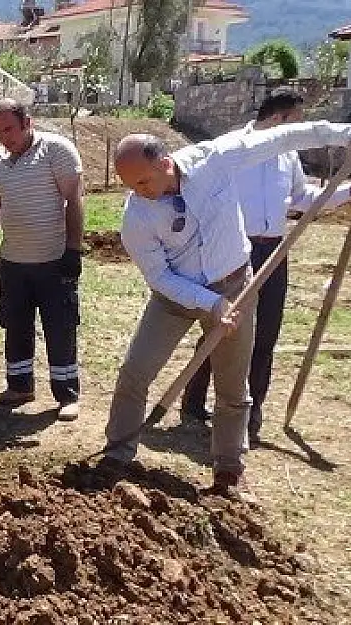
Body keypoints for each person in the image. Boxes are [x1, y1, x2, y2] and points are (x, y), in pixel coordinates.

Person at [101, 120, 351, 497]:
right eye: (130, 185)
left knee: (233, 386)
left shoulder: (213, 160)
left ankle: (229, 471)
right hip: (176, 297)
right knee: (135, 371)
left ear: (165, 163)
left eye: (142, 182)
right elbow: (159, 277)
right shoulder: (137, 215)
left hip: (235, 287)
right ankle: (117, 455)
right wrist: (210, 303)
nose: (138, 193)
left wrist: (343, 134)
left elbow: (280, 138)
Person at [180, 88, 351, 444]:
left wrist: (346, 190)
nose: (298, 131)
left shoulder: (288, 159)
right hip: (234, 253)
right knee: (222, 325)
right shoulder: (229, 151)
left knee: (266, 334)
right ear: (278, 119)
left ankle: (251, 410)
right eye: (296, 121)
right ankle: (193, 400)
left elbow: (302, 200)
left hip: (275, 250)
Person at [0, 98, 85, 420]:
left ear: (27, 122)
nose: (4, 137)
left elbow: (74, 201)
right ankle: (19, 386)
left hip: (53, 261)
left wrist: (73, 250)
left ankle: (67, 395)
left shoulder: (56, 150)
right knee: (15, 324)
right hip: (13, 263)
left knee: (60, 327)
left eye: (9, 129)